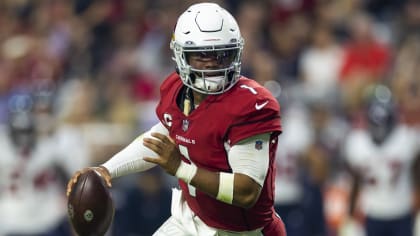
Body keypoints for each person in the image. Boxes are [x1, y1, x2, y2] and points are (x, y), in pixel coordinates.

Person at [66, 3, 286, 236]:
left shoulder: (251, 104)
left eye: (221, 54)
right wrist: (106, 169)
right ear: (182, 55)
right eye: (202, 55)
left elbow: (247, 192)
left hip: (242, 232)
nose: (211, 63)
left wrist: (181, 168)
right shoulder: (176, 89)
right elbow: (159, 138)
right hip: (191, 219)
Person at [342, 84, 419, 236]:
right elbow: (355, 180)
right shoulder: (407, 138)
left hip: (398, 211)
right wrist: (350, 214)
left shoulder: (407, 138)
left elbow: (417, 173)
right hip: (375, 212)